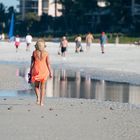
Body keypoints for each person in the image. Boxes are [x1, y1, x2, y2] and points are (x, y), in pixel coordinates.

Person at [29, 39, 52, 106]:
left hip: (36, 69)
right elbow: (48, 64)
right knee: (43, 87)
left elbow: (32, 63)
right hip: (44, 70)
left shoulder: (34, 52)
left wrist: (30, 71)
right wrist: (50, 72)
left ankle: (38, 98)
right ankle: (41, 102)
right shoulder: (46, 53)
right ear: (44, 46)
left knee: (36, 86)